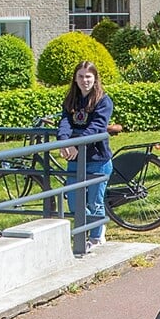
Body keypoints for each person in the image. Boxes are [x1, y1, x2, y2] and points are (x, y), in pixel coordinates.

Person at [57, 60, 113, 247]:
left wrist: (77, 144)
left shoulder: (103, 101)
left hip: (98, 159)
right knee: (74, 200)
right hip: (75, 159)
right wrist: (64, 142)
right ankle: (81, 235)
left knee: (94, 202)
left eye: (88, 76)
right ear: (75, 78)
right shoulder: (71, 100)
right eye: (80, 76)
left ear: (95, 78)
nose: (84, 80)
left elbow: (97, 127)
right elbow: (65, 122)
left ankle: (96, 236)